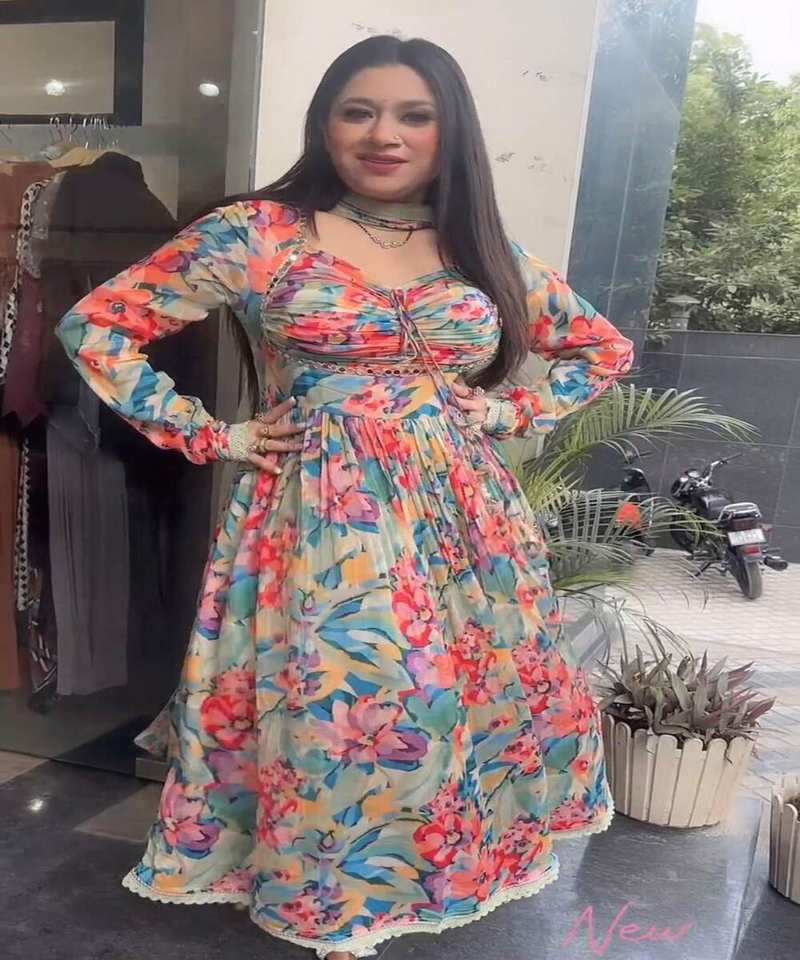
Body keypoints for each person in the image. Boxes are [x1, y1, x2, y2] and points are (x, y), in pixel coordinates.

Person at [56, 34, 634, 960]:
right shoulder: (257, 233)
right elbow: (98, 327)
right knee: (347, 704)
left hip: (464, 515)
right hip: (325, 510)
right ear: (325, 125)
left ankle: (439, 870)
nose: (384, 134)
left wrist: (509, 411)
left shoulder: (478, 244)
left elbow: (600, 349)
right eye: (358, 111)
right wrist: (213, 434)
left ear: (450, 132)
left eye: (414, 115)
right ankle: (338, 901)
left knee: (463, 697)